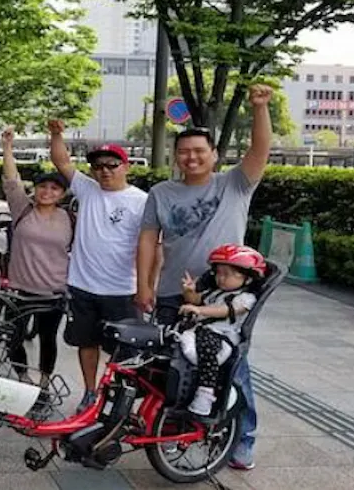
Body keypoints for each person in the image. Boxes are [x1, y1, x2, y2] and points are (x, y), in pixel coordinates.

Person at [135, 83, 273, 471]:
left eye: (199, 151)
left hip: (222, 301)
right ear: (176, 156)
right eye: (184, 152)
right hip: (171, 295)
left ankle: (242, 439)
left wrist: (260, 108)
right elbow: (148, 240)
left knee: (233, 370)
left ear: (214, 155)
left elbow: (259, 150)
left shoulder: (234, 183)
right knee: (173, 366)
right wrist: (143, 285)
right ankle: (178, 427)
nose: (191, 157)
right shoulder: (161, 192)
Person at [48, 120, 148, 413]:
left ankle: (119, 398)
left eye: (112, 164)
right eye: (98, 165)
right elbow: (61, 160)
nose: (104, 170)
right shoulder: (87, 189)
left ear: (126, 166)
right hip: (83, 286)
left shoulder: (141, 201)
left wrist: (147, 286)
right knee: (86, 342)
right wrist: (56, 134)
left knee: (124, 351)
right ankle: (90, 393)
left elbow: (153, 247)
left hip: (122, 290)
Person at [0, 126, 72, 385]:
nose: (47, 192)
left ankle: (43, 384)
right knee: (14, 337)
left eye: (55, 188)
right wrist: (7, 147)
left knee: (48, 339)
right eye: (43, 186)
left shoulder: (70, 218)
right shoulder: (22, 208)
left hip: (53, 292)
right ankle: (23, 379)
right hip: (18, 290)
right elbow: (11, 181)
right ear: (35, 188)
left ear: (62, 194)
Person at [178, 245, 266, 417]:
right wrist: (189, 291)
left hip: (221, 338)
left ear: (247, 278)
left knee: (207, 345)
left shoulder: (246, 299)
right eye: (218, 273)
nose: (221, 278)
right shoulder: (215, 292)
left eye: (227, 274)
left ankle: (205, 392)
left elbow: (225, 310)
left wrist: (200, 311)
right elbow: (196, 300)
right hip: (198, 331)